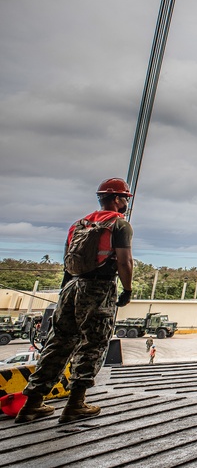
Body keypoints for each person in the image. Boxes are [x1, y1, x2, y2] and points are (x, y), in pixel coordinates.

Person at [15, 178, 134, 423]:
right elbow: (124, 262)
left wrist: (65, 292)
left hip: (72, 286)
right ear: (115, 199)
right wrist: (128, 289)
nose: (126, 203)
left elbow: (68, 260)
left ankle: (32, 404)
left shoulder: (78, 224)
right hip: (98, 288)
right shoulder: (120, 225)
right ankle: (75, 404)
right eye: (124, 198)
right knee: (93, 343)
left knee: (58, 343)